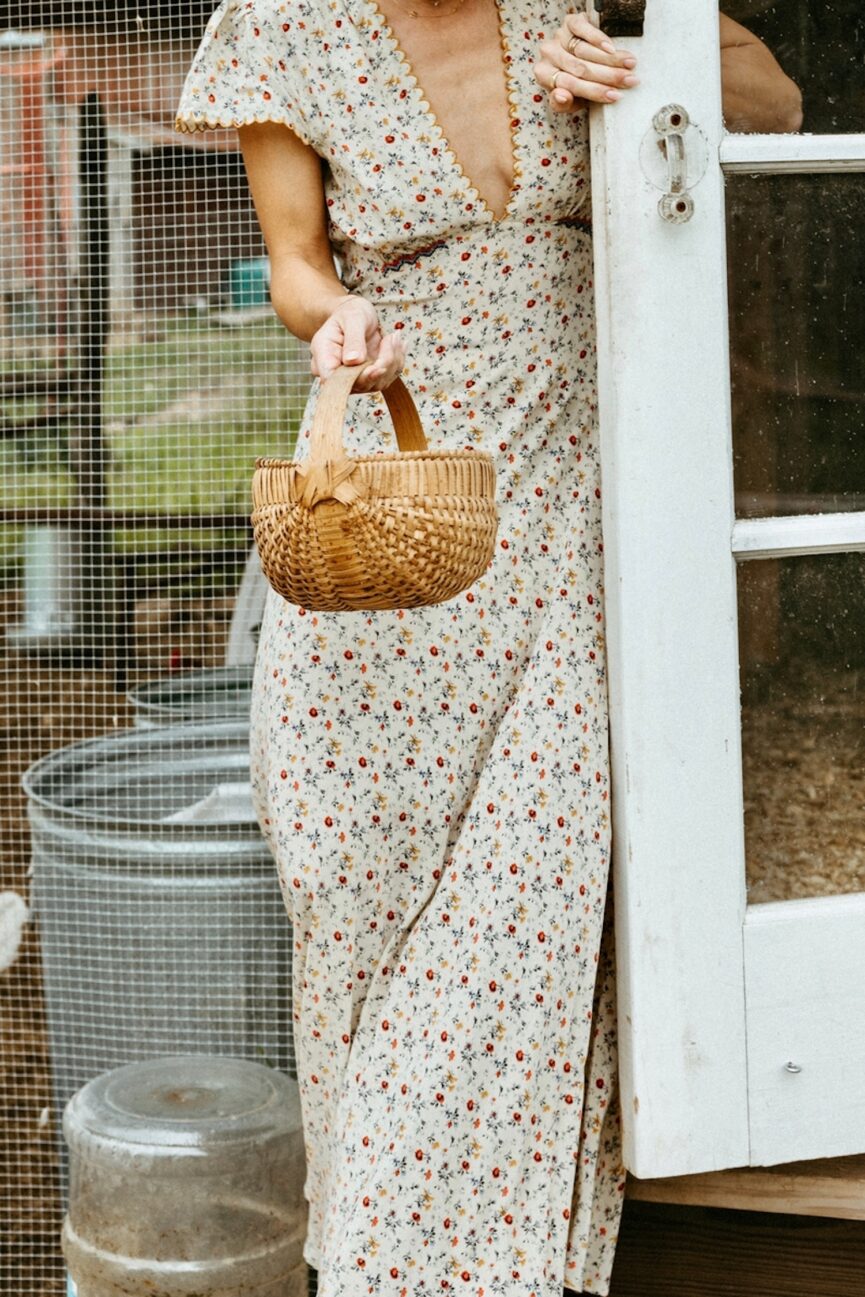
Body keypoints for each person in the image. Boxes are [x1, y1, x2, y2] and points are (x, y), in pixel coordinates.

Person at [175, 4, 800, 1293]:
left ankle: (466, 1268)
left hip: (573, 517)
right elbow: (293, 260)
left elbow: (778, 103)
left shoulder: (574, 0)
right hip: (396, 528)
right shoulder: (287, 27)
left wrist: (639, 60)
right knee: (366, 924)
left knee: (523, 918)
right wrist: (337, 317)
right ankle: (380, 1258)